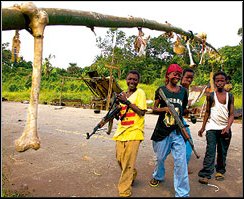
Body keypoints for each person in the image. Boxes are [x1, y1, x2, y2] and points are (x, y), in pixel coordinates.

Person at [149, 64, 190, 197]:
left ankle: (182, 194)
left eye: (179, 74)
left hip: (178, 132)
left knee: (181, 163)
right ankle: (158, 175)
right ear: (168, 75)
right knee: (160, 158)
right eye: (174, 74)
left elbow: (182, 109)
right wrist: (165, 109)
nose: (177, 76)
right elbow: (154, 109)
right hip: (162, 131)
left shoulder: (183, 91)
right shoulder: (161, 90)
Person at [113, 70, 147, 197]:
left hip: (135, 131)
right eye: (130, 79)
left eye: (135, 79)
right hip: (121, 131)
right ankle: (132, 174)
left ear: (138, 81)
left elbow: (141, 112)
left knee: (127, 162)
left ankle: (124, 191)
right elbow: (120, 116)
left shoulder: (140, 93)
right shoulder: (122, 94)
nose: (132, 81)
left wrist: (126, 102)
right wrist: (116, 111)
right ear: (126, 80)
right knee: (119, 158)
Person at [198, 71, 234, 184]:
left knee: (222, 151)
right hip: (212, 128)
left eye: (222, 80)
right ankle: (206, 174)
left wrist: (227, 127)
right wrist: (203, 127)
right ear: (214, 82)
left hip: (225, 128)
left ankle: (220, 171)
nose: (219, 83)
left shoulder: (230, 96)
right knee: (210, 150)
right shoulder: (211, 96)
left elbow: (231, 114)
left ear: (225, 81)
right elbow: (207, 112)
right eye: (217, 81)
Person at [180, 68, 195, 173]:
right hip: (176, 120)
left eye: (191, 78)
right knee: (189, 142)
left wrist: (189, 111)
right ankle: (183, 166)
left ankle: (183, 165)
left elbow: (182, 108)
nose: (189, 80)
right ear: (181, 77)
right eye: (187, 77)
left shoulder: (186, 89)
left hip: (180, 119)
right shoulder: (179, 89)